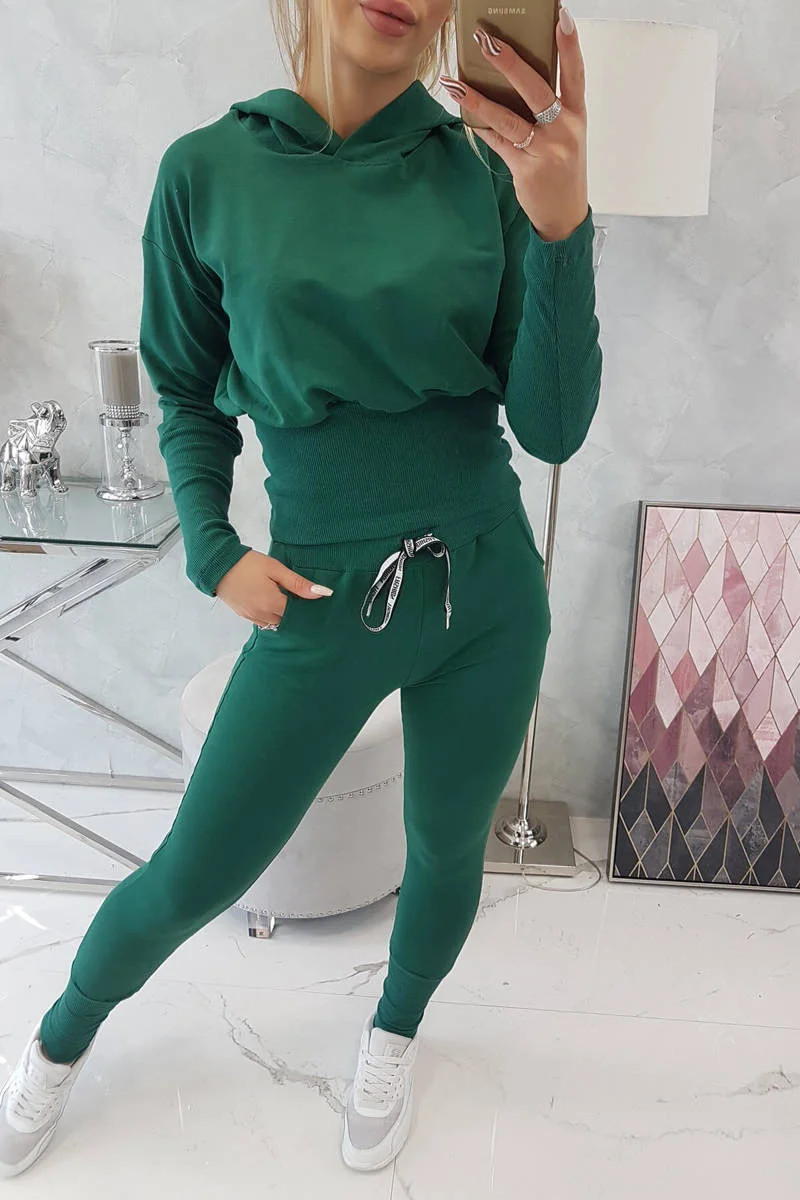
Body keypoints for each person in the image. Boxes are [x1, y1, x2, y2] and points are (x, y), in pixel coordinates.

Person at [0, 0, 601, 1180]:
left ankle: (393, 1032)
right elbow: (185, 391)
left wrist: (562, 223)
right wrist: (213, 550)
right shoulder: (206, 173)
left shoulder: (485, 167)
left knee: (445, 849)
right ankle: (60, 1037)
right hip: (319, 595)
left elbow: (553, 428)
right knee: (194, 872)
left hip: (486, 589)